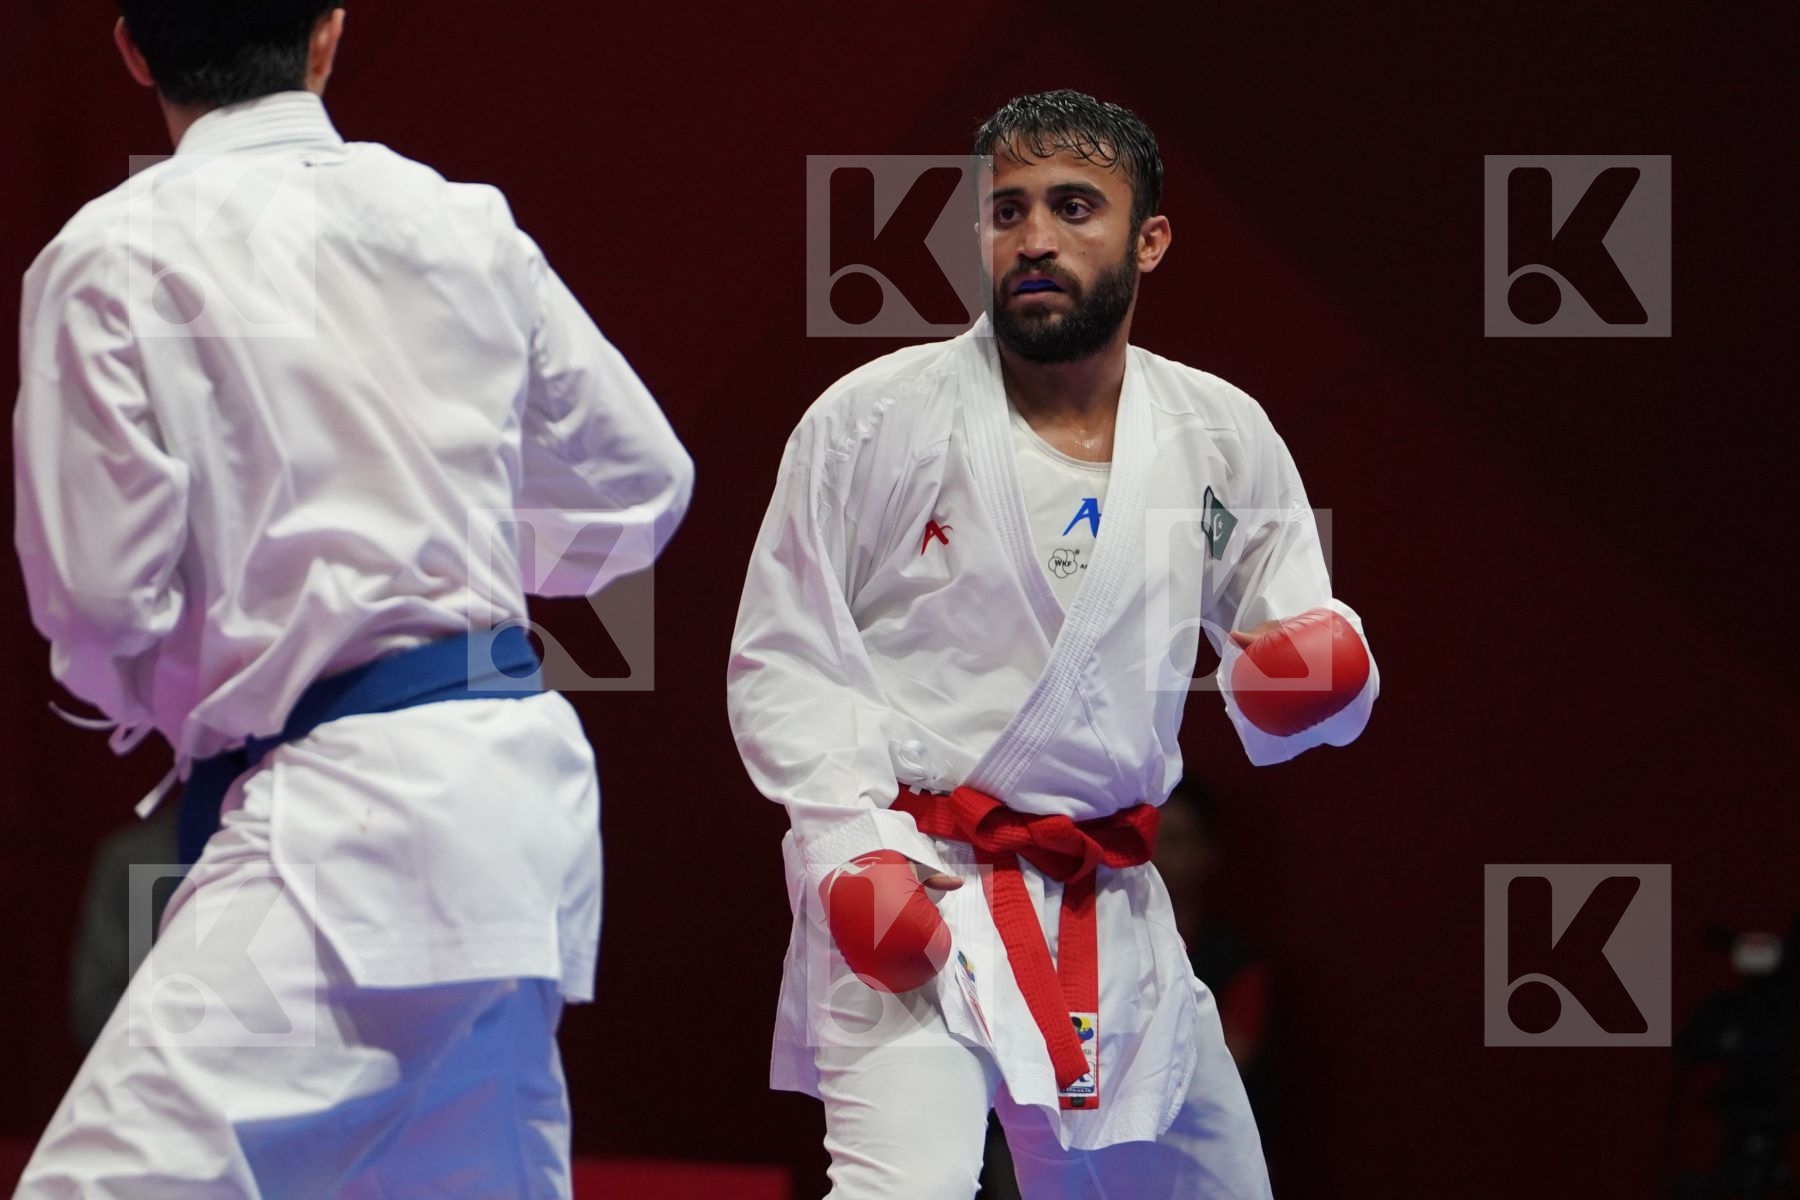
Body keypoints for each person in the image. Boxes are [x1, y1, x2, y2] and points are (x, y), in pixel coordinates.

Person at [13, 3, 693, 1195]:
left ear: (132, 49)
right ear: (328, 33)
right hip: (511, 788)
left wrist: (180, 677)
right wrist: (442, 545)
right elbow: (643, 486)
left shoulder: (111, 251)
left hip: (349, 821)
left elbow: (101, 601)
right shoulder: (463, 220)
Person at [727, 89, 1377, 1197]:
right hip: (917, 883)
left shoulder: (1219, 433)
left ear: (1149, 240)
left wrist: (1327, 671)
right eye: (1008, 210)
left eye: (1074, 207)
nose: (1033, 238)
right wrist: (847, 848)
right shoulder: (875, 419)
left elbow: (1294, 630)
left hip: (1108, 898)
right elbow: (785, 655)